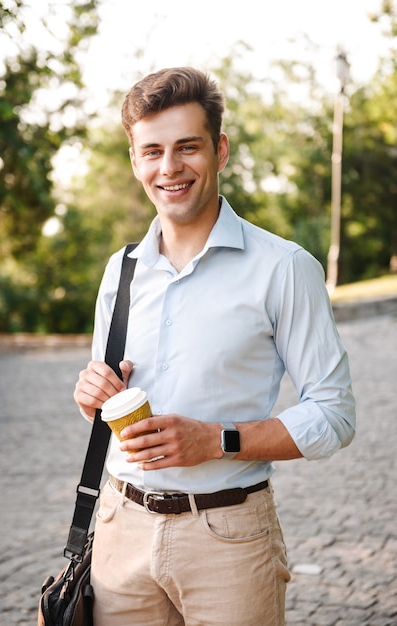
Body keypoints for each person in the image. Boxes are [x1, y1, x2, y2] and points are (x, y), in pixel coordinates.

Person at [74, 67, 355, 626]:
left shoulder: (284, 268)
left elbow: (335, 415)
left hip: (229, 538)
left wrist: (215, 440)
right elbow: (109, 397)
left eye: (187, 147)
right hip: (118, 530)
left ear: (220, 150)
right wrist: (92, 395)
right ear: (135, 161)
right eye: (151, 151)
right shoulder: (121, 271)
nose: (169, 167)